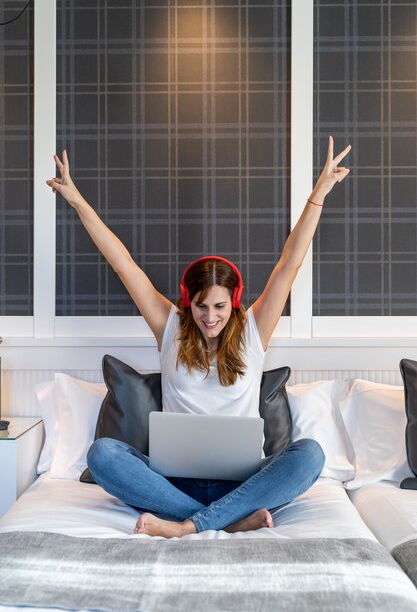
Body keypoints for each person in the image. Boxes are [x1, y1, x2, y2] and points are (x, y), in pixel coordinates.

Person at [46, 135, 351, 538]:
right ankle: (228, 520)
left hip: (244, 482)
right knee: (103, 453)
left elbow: (288, 265)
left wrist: (319, 193)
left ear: (235, 303)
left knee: (310, 454)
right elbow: (123, 264)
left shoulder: (253, 331)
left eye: (220, 307)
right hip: (173, 482)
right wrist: (76, 201)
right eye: (201, 306)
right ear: (188, 301)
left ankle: (187, 525)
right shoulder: (169, 325)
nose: (210, 317)